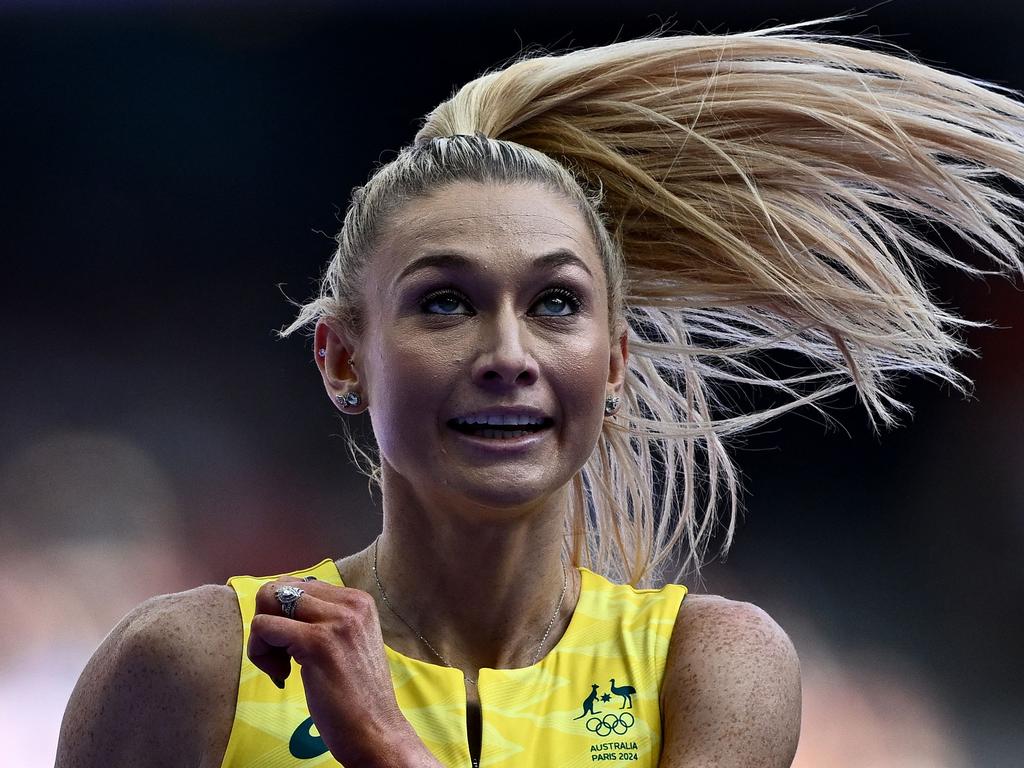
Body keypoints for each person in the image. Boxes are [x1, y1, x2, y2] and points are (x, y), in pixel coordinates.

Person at [56, 22, 1024, 768]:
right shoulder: (192, 669)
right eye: (444, 302)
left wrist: (388, 746)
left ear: (612, 363)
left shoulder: (708, 670)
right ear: (341, 359)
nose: (506, 352)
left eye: (556, 302)